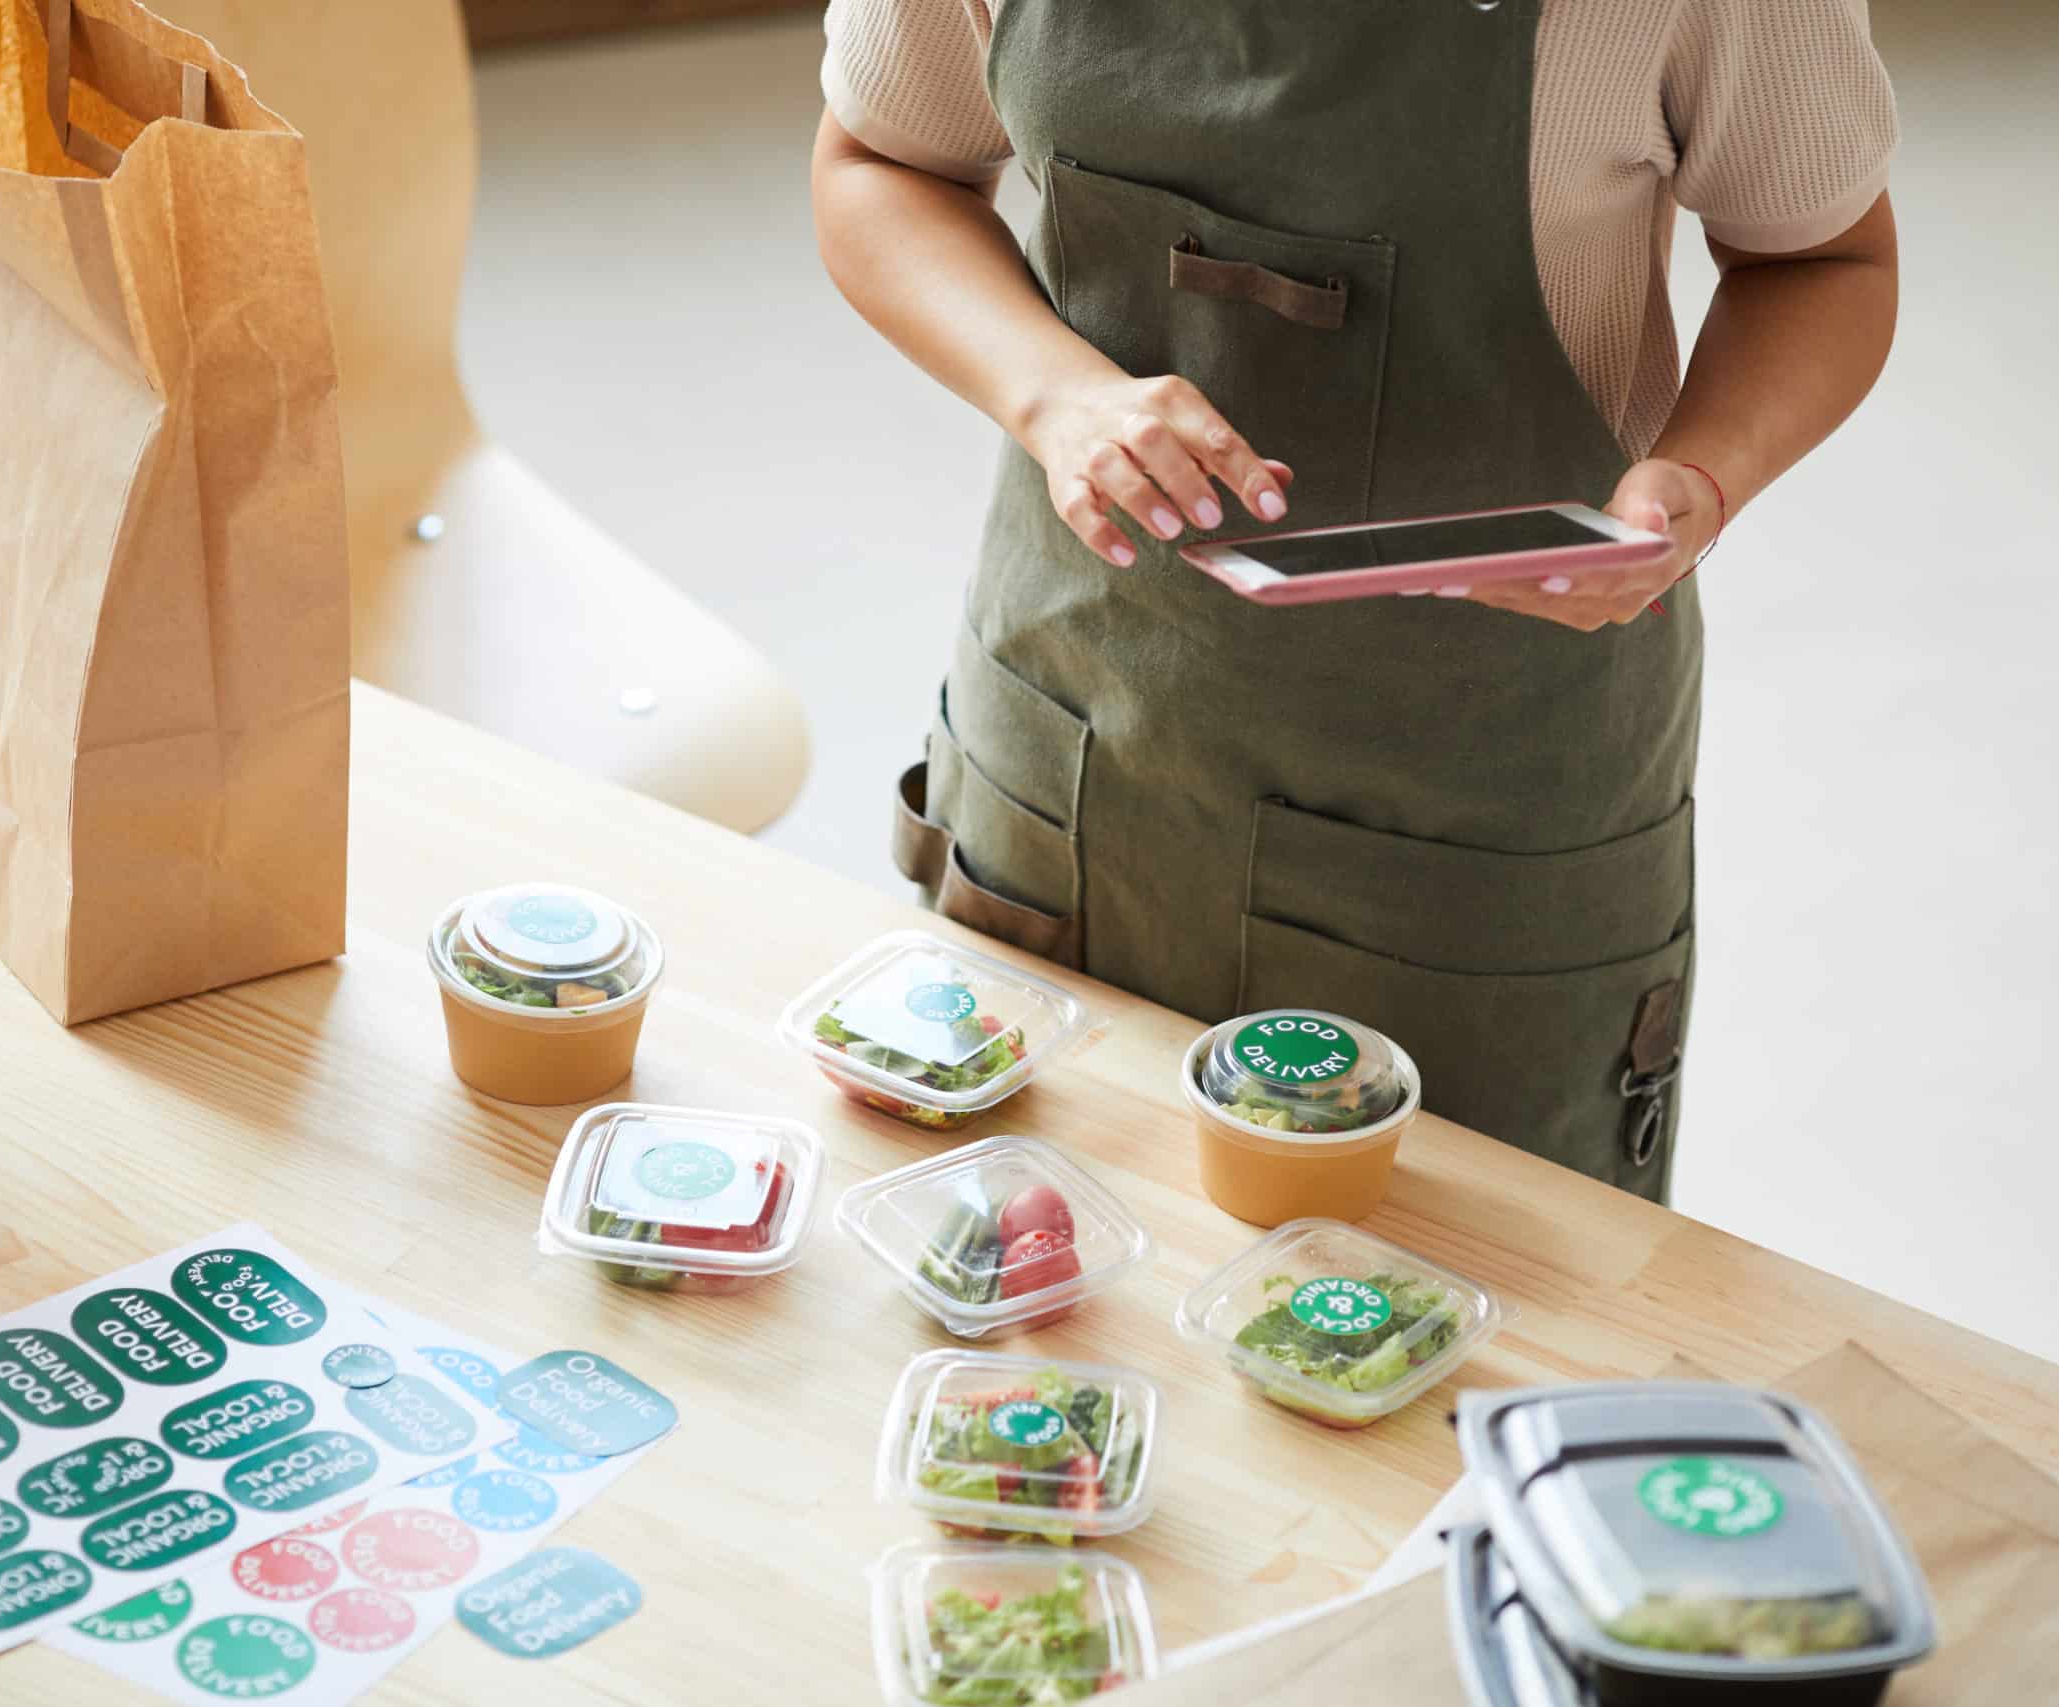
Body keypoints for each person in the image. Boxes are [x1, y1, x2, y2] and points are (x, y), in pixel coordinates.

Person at [810, 0, 1900, 1198]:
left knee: (1458, 1275)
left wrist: (1702, 474)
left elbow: (1822, 261)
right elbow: (882, 162)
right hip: (1064, 725)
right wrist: (1050, 394)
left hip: (1479, 800)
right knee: (1012, 1235)